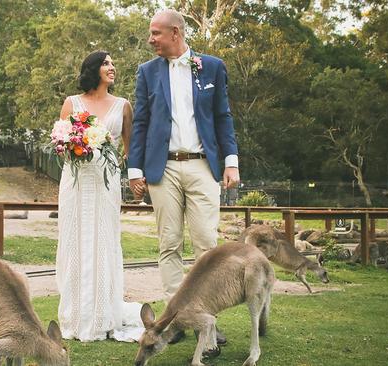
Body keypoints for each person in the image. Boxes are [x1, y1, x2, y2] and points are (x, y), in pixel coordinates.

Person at [127, 10, 240, 344]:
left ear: (175, 33)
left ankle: (207, 321)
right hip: (163, 169)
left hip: (203, 166)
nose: (151, 39)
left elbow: (223, 117)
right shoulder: (147, 72)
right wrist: (135, 169)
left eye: (155, 33)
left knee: (207, 245)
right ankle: (174, 321)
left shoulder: (212, 67)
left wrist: (231, 162)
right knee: (169, 244)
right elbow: (141, 123)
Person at [56, 50, 143, 342]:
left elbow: (130, 151)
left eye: (113, 63)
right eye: (106, 63)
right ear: (92, 69)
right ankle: (74, 317)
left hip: (106, 184)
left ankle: (103, 315)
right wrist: (73, 143)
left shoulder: (123, 106)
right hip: (76, 183)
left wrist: (135, 178)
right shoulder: (72, 103)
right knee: (75, 243)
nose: (112, 67)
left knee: (104, 243)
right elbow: (61, 143)